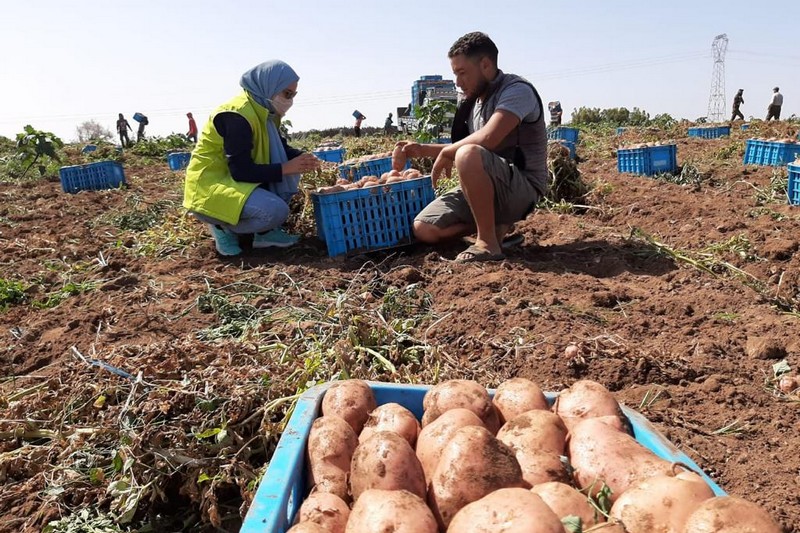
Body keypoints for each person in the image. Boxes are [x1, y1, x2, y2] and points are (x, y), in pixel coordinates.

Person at [401, 31, 547, 262]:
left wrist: (450, 152)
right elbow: (469, 143)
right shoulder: (474, 101)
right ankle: (494, 228)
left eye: (462, 73)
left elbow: (487, 138)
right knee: (424, 228)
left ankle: (488, 244)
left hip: (522, 188)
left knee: (467, 154)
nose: (458, 82)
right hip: (487, 186)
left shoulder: (516, 90)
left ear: (486, 65)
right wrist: (422, 149)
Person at [183, 60, 321, 256]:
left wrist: (305, 159)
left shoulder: (264, 112)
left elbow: (280, 149)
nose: (290, 100)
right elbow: (240, 171)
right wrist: (286, 168)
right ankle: (222, 226)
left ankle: (263, 233)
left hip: (236, 183)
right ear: (268, 87)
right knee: (276, 211)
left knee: (286, 179)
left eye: (293, 95)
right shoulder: (236, 115)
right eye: (287, 94)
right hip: (212, 187)